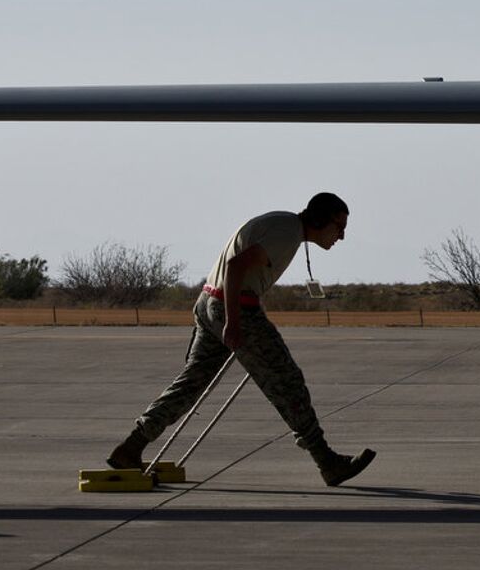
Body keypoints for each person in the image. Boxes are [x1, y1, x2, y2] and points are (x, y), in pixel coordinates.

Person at [107, 192, 375, 487]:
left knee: (192, 383)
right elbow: (236, 267)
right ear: (320, 219)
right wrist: (233, 323)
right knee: (287, 382)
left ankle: (132, 447)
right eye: (339, 227)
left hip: (209, 302)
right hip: (234, 309)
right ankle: (327, 462)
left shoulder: (283, 226)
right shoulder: (286, 233)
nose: (342, 236)